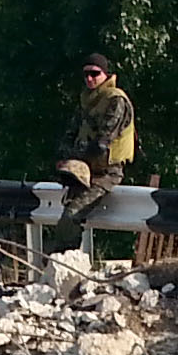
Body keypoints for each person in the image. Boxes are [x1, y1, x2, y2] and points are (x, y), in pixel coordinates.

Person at [49, 52, 136, 246]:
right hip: (83, 172)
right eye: (86, 74)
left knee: (72, 215)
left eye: (95, 73)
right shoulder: (87, 100)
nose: (89, 78)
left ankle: (67, 264)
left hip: (106, 173)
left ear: (105, 74)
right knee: (67, 217)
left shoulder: (116, 100)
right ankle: (63, 262)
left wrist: (75, 156)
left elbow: (101, 143)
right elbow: (70, 134)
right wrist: (65, 157)